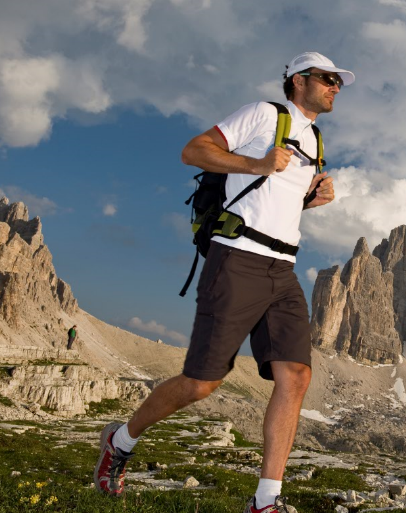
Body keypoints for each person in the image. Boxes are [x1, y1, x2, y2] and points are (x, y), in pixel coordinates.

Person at [93, 52, 352, 513]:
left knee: (296, 376)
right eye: (328, 79)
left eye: (339, 82)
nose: (336, 87)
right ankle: (121, 440)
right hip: (237, 260)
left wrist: (312, 200)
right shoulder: (264, 114)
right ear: (299, 80)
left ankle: (265, 501)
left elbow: (273, 202)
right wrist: (256, 164)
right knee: (201, 383)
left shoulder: (315, 139)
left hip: (283, 267)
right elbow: (193, 151)